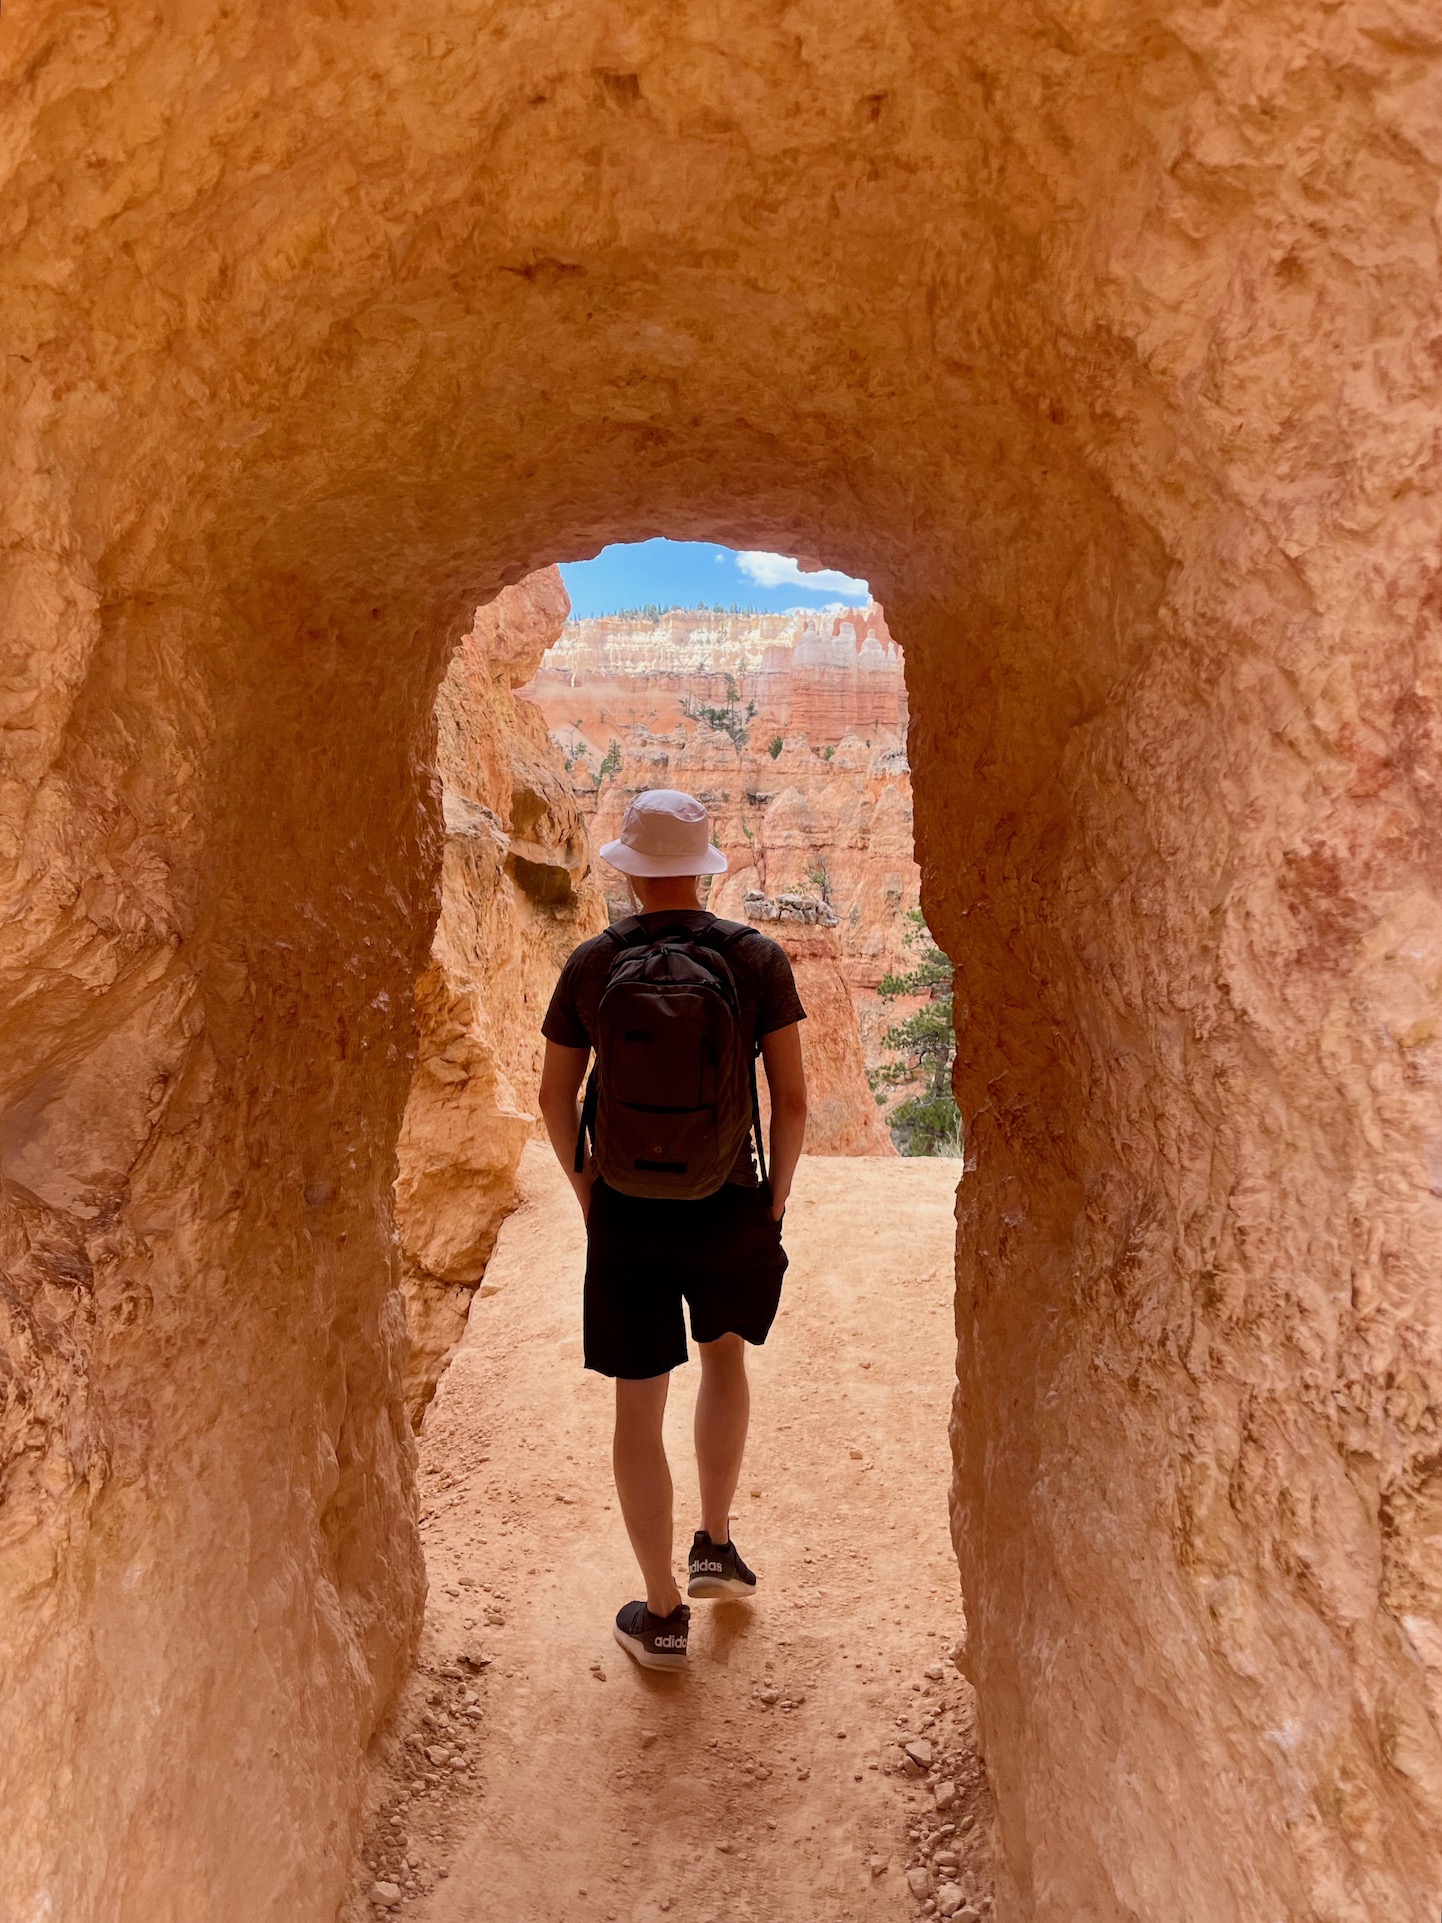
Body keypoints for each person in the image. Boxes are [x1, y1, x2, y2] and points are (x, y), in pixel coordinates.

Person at [538, 788, 809, 1672]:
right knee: (723, 1360)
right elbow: (793, 1099)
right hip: (727, 1197)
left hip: (626, 1207)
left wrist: (588, 1192)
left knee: (637, 1401)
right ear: (701, 866)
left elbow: (555, 1095)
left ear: (630, 869)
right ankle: (715, 1546)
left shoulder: (591, 963)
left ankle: (658, 1615)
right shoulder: (755, 958)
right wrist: (772, 1199)